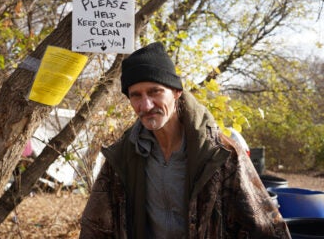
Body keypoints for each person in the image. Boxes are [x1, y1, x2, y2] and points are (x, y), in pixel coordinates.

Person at [79, 42, 291, 238]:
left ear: (176, 92)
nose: (145, 105)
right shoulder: (123, 156)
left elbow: (265, 227)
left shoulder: (219, 154)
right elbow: (94, 226)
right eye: (136, 95)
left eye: (155, 92)